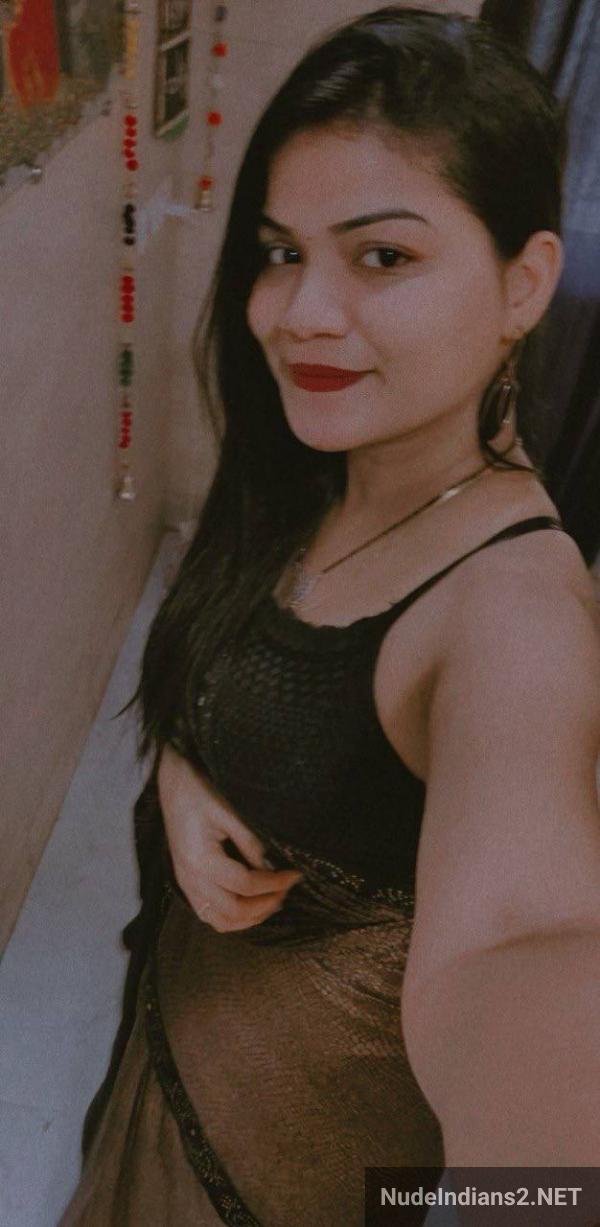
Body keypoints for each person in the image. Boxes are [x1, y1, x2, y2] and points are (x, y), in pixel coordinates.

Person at [59, 7, 600, 1225]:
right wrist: (188, 768)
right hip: (164, 1047)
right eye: (279, 250)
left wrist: (549, 1169)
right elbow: (247, 658)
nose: (299, 311)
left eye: (383, 257)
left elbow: (521, 944)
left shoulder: (514, 614)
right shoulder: (320, 456)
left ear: (523, 284)